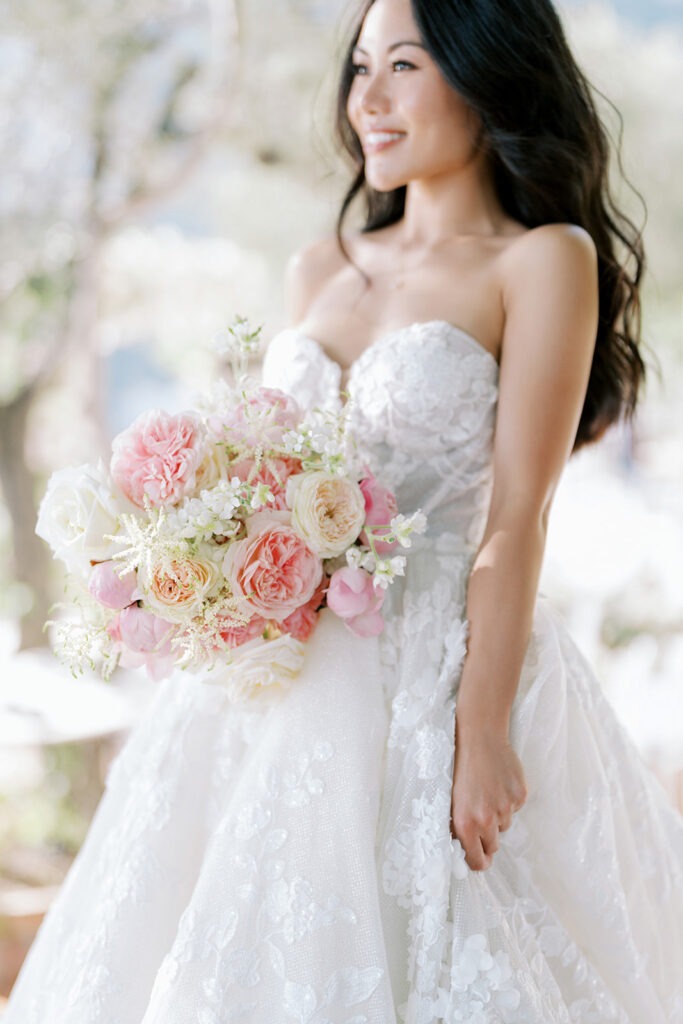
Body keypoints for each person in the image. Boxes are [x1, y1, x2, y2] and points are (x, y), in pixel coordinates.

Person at [5, 0, 683, 1021]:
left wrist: (482, 727)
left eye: (403, 65)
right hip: (266, 683)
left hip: (440, 665)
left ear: (481, 68)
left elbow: (517, 517)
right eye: (359, 66)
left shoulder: (541, 259)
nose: (365, 97)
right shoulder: (316, 268)